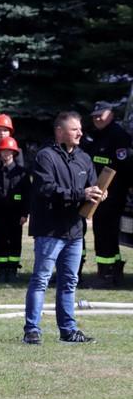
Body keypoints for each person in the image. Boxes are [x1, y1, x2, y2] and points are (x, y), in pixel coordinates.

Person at [22, 111, 104, 345]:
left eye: (80, 129)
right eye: (74, 129)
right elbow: (46, 190)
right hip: (50, 231)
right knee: (41, 280)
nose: (80, 133)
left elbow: (92, 187)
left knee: (69, 282)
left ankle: (68, 331)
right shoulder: (45, 157)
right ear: (60, 131)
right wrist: (81, 194)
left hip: (75, 232)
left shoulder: (84, 158)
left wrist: (100, 193)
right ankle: (32, 330)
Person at [81, 101, 132, 286]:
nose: (97, 118)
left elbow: (126, 167)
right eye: (94, 116)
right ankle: (112, 268)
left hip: (113, 194)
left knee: (105, 232)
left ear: (111, 114)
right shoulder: (98, 135)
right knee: (103, 231)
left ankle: (107, 273)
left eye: (100, 115)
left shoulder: (118, 136)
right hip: (99, 192)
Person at [0, 136, 29, 282]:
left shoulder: (22, 173)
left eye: (9, 151)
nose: (6, 154)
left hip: (16, 215)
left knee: (15, 242)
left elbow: (27, 195)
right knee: (1, 242)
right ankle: (2, 270)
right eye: (3, 151)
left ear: (14, 153)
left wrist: (24, 214)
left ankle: (13, 269)